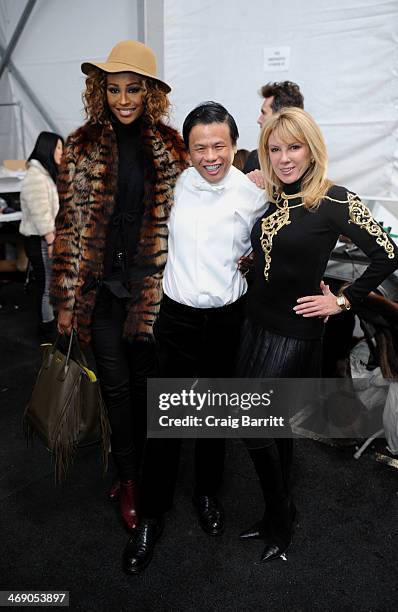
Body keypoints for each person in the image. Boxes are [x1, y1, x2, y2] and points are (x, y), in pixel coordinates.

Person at [237, 107, 398, 563]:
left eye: (294, 147)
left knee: (250, 423)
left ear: (311, 149)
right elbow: (278, 246)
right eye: (274, 148)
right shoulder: (272, 196)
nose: (284, 158)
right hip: (256, 322)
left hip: (294, 329)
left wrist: (343, 301)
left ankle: (281, 513)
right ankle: (277, 511)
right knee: (268, 421)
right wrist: (253, 263)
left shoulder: (333, 199)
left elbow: (387, 254)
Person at [50, 40, 189, 532]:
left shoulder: (174, 148)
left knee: (146, 388)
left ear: (149, 92)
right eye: (114, 89)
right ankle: (129, 479)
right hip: (102, 293)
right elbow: (69, 227)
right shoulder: (82, 145)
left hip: (154, 293)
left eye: (134, 89)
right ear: (100, 91)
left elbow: (199, 212)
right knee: (115, 389)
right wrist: (64, 301)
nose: (124, 99)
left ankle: (148, 472)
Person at [123, 101, 266, 574]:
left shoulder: (253, 196)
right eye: (200, 147)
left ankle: (207, 494)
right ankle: (150, 516)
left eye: (219, 146)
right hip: (178, 320)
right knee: (164, 423)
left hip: (228, 319)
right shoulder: (173, 187)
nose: (210, 156)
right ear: (187, 150)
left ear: (234, 145)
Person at [19, 131, 64, 343]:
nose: (61, 153)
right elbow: (40, 213)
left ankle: (47, 327)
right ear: (47, 148)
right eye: (58, 148)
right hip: (40, 240)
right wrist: (51, 240)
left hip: (44, 238)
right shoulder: (35, 176)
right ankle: (47, 332)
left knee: (47, 285)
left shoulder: (44, 174)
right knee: (47, 286)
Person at [243, 81, 304, 173]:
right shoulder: (256, 159)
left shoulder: (311, 155)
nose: (259, 120)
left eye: (264, 113)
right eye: (274, 150)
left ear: (281, 115)